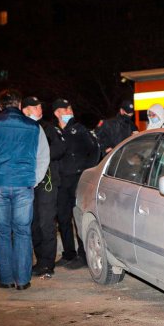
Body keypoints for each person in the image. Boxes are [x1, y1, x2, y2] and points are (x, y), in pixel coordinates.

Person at [0, 89, 49, 290]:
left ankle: (5, 278)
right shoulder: (34, 127)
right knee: (23, 231)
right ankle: (23, 280)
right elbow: (43, 156)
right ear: (20, 105)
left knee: (1, 231)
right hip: (24, 184)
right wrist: (34, 179)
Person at [23, 96, 66, 278]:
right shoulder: (21, 127)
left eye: (40, 106)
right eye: (35, 107)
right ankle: (40, 260)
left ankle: (47, 264)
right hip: (27, 182)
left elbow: (60, 149)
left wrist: (39, 154)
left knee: (46, 223)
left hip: (47, 182)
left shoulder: (48, 128)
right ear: (25, 109)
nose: (39, 109)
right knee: (33, 223)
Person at [53, 98, 96, 270]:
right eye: (65, 109)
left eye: (70, 108)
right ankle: (68, 254)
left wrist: (86, 172)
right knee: (63, 218)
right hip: (61, 181)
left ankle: (83, 255)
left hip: (77, 180)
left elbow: (94, 150)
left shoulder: (79, 129)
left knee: (79, 217)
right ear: (57, 113)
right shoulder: (54, 131)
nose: (69, 111)